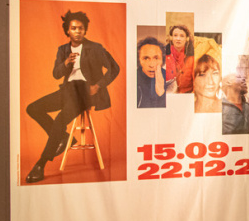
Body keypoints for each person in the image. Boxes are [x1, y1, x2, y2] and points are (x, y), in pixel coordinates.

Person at [25, 10, 119, 183]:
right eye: (74, 28)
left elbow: (114, 68)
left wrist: (98, 86)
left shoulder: (95, 48)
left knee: (61, 120)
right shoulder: (63, 50)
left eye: (81, 28)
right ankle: (63, 137)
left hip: (85, 92)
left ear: (85, 30)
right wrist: (65, 63)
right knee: (33, 108)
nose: (77, 31)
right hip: (68, 89)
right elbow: (55, 74)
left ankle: (41, 164)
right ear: (67, 30)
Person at [136, 36, 166, 108]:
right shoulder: (132, 79)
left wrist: (161, 93)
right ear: (139, 60)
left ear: (162, 59)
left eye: (156, 58)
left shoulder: (171, 80)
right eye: (146, 58)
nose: (152, 65)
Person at [164, 24, 192, 91]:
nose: (178, 39)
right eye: (175, 35)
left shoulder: (192, 57)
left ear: (186, 38)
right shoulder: (163, 55)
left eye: (182, 36)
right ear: (171, 38)